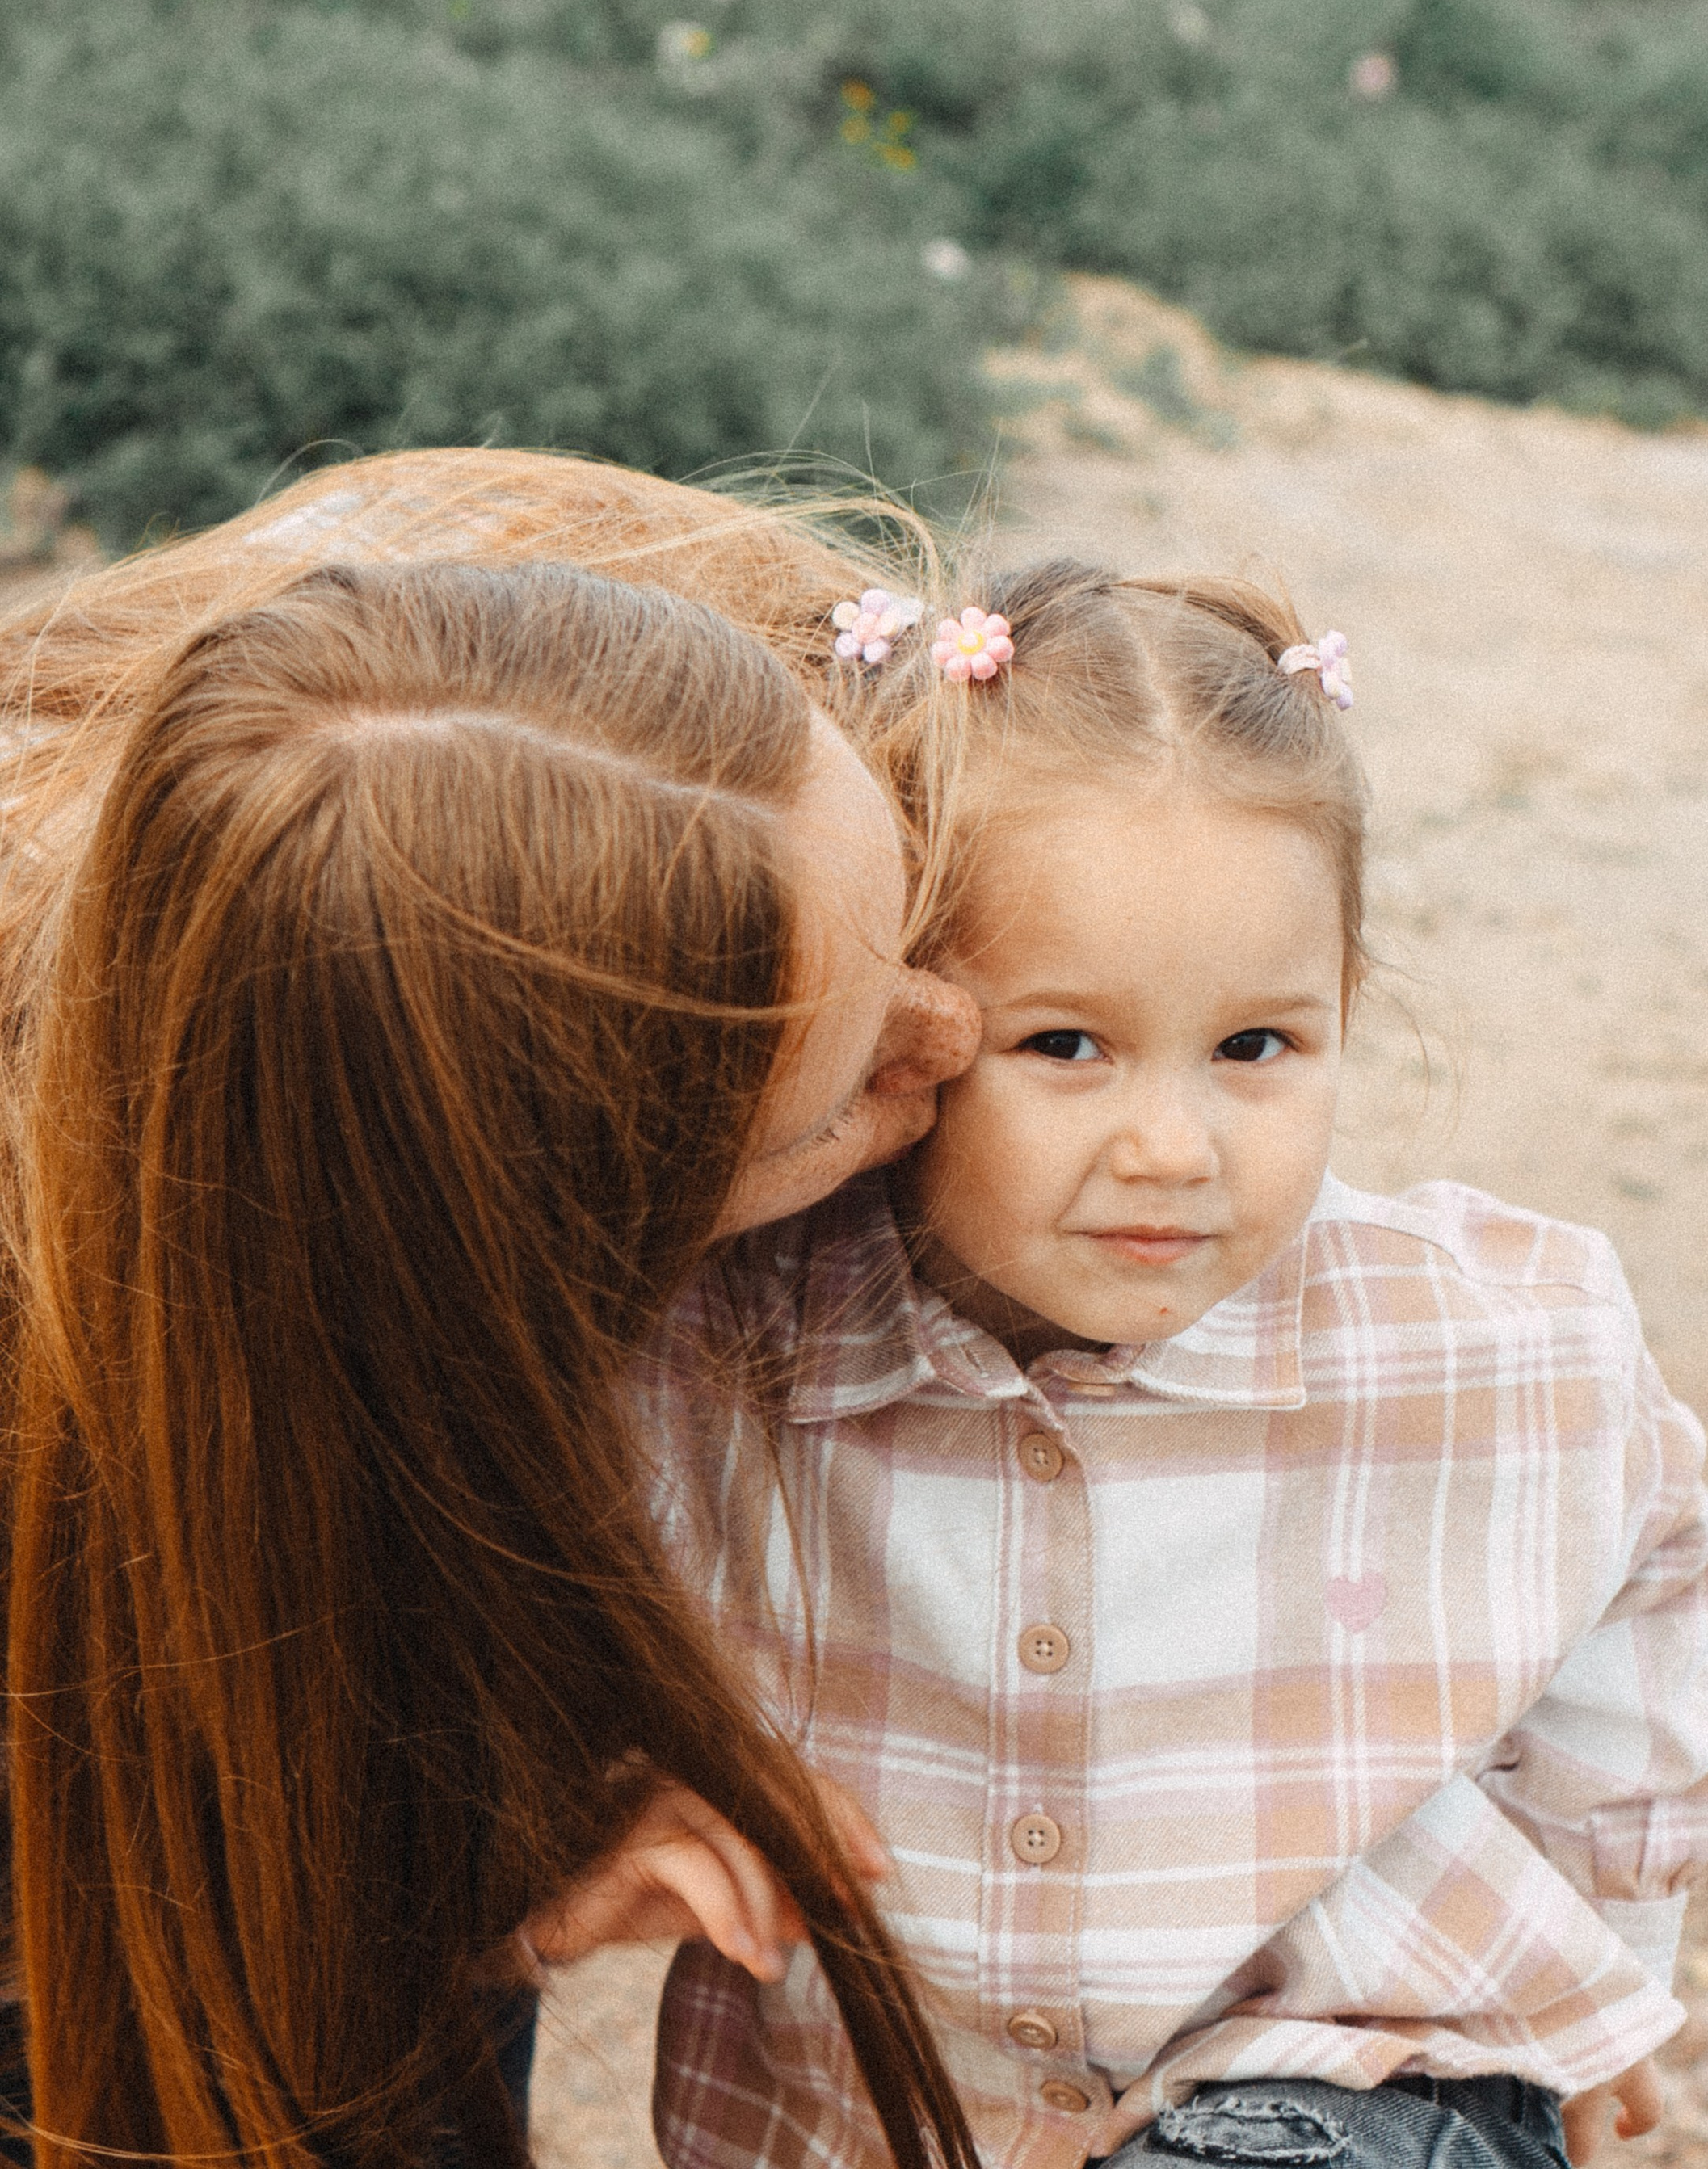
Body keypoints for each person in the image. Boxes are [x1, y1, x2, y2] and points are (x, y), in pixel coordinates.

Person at [640, 561, 1708, 2169]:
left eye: (1254, 1048)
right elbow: (552, 1621)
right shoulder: (732, 1348)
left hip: (1356, 2068)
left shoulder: (1496, 1341)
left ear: (1342, 1012)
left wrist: (1603, 1990)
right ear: (908, 1035)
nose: (1170, 1149)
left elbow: (1640, 1667)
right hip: (874, 2113)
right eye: (1064, 1045)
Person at [0, 453, 984, 2169]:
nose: (951, 1042)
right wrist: (422, 1919)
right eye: (833, 1102)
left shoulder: (536, 648)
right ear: (496, 1254)